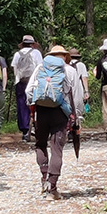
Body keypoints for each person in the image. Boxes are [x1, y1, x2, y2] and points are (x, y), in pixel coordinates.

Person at [26, 45, 81, 200]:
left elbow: (28, 91)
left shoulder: (39, 69)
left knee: (40, 144)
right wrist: (77, 117)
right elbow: (77, 96)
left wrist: (33, 108)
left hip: (41, 111)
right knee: (56, 149)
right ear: (64, 56)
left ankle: (44, 178)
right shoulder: (70, 71)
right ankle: (53, 188)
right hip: (60, 113)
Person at [11, 34, 43, 142]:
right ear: (33, 44)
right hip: (34, 82)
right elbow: (40, 67)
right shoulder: (36, 53)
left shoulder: (17, 54)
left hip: (21, 82)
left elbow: (15, 69)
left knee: (22, 105)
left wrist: (17, 79)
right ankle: (36, 126)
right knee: (36, 104)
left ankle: (25, 131)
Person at [68, 48, 90, 126]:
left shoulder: (66, 64)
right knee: (78, 107)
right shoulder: (81, 65)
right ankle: (76, 125)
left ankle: (69, 123)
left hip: (68, 87)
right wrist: (86, 91)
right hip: (78, 87)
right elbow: (84, 78)